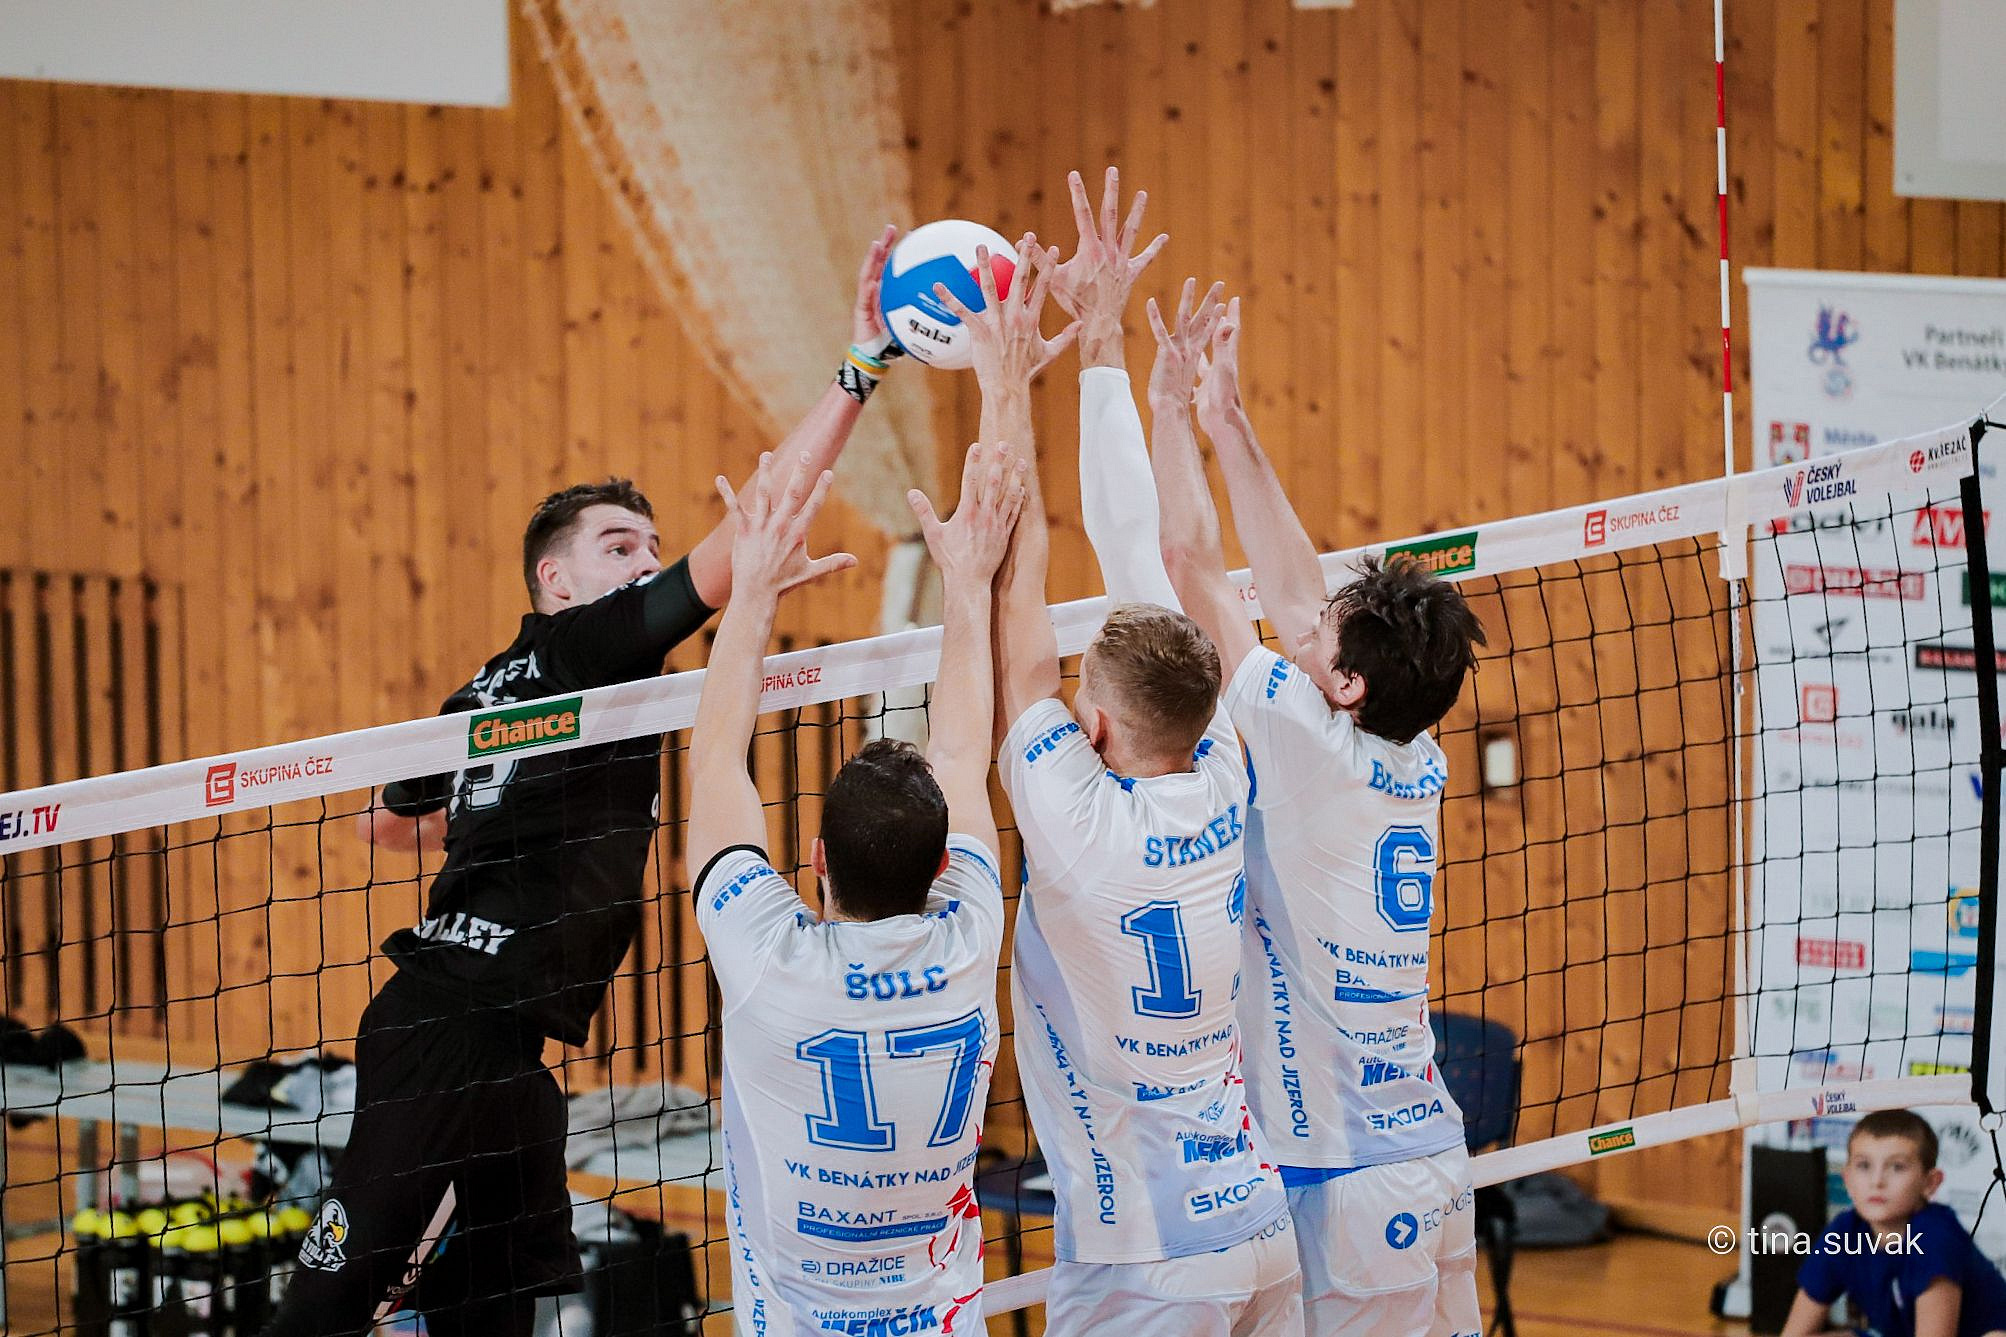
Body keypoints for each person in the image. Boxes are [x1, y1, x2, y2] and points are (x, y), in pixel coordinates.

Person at [264, 231, 907, 1337]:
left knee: (495, 1311)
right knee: (327, 1305)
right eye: (620, 547)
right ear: (554, 580)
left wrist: (497, 808)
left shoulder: (486, 690)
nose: (646, 562)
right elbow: (744, 530)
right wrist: (859, 366)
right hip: (450, 1033)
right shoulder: (583, 648)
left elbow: (383, 820)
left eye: (650, 546)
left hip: (506, 1051)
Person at [941, 167, 1301, 1336]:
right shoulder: (1228, 763)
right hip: (1258, 1225)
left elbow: (1017, 593)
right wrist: (1097, 346)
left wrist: (1008, 387)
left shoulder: (1079, 821)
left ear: (1091, 725)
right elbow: (1141, 561)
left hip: (1143, 1255)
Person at [1147, 283, 1486, 1335]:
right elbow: (1299, 604)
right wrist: (1228, 419)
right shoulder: (1415, 750)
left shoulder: (1304, 738)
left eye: (1325, 637)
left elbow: (1189, 562)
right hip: (1431, 1154)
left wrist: (1166, 409)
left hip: (1341, 1175)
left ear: (1344, 684)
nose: (1304, 627)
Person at [687, 441, 1024, 1337]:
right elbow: (962, 749)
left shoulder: (768, 961)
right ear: (941, 865)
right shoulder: (970, 936)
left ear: (815, 860)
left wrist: (752, 591)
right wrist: (969, 583)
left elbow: (714, 760)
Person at [1782, 1110, 2006, 1337]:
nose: (1877, 1181)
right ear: (1847, 1180)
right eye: (1864, 1165)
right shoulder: (1844, 1232)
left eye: (1897, 1167)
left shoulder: (1936, 1237)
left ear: (1930, 1183)